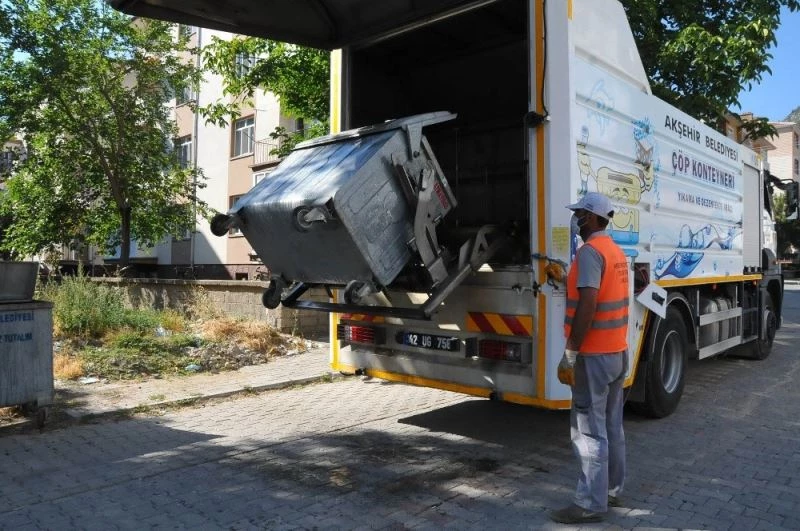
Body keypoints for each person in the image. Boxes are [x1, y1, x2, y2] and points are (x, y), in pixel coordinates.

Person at [550, 192, 630, 525]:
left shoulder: (589, 253)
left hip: (593, 357)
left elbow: (588, 305)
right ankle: (611, 489)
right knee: (611, 425)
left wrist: (570, 354)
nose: (577, 219)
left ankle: (590, 503)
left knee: (587, 431)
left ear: (594, 218)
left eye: (581, 214)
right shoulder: (615, 251)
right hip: (617, 352)